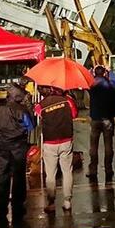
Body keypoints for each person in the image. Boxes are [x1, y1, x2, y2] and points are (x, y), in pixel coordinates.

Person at [0, 83, 35, 228]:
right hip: (18, 145)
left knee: (2, 176)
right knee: (18, 176)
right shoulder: (21, 110)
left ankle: (0, 207)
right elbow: (31, 126)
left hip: (2, 145)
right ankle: (18, 205)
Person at [34, 85, 78, 213]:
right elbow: (74, 115)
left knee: (50, 174)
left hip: (50, 141)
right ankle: (67, 201)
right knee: (67, 171)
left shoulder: (40, 105)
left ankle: (51, 202)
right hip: (66, 140)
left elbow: (39, 117)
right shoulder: (68, 100)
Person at [87, 65, 115, 182]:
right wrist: (110, 71)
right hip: (108, 119)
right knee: (108, 145)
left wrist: (90, 72)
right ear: (104, 73)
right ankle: (108, 169)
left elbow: (85, 79)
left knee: (93, 146)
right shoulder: (109, 85)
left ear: (95, 74)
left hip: (95, 119)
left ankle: (93, 169)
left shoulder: (91, 85)